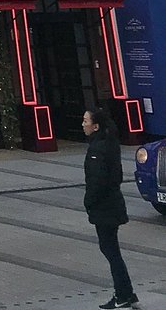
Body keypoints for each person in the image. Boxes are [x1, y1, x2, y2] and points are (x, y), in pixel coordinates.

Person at [82, 107, 137, 309]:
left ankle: (122, 294)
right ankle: (127, 292)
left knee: (110, 250)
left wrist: (88, 201)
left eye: (86, 121)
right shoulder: (110, 143)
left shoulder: (98, 149)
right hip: (112, 204)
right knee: (111, 249)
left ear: (95, 126)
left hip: (105, 207)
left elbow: (97, 181)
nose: (83, 124)